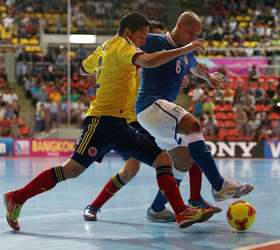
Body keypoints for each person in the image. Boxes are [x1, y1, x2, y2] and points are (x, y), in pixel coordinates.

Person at [3, 12, 215, 232]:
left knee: (162, 160)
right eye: (141, 37)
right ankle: (17, 197)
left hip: (121, 124)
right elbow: (149, 61)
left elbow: (83, 69)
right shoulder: (124, 47)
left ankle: (181, 212)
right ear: (127, 33)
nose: (144, 42)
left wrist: (107, 73)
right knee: (72, 170)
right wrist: (185, 49)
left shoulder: (104, 48)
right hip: (102, 121)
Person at [83, 22, 221, 223]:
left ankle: (186, 201)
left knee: (185, 153)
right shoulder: (135, 58)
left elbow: (182, 67)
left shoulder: (163, 60)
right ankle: (94, 206)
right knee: (131, 170)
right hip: (131, 120)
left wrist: (180, 74)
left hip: (150, 117)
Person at [136, 11, 254, 205]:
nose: (194, 39)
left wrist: (209, 78)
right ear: (179, 26)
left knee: (183, 162)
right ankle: (219, 185)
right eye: (191, 33)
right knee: (192, 125)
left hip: (159, 113)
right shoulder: (154, 41)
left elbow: (196, 66)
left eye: (196, 35)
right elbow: (127, 45)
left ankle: (157, 208)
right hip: (150, 105)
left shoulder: (187, 51)